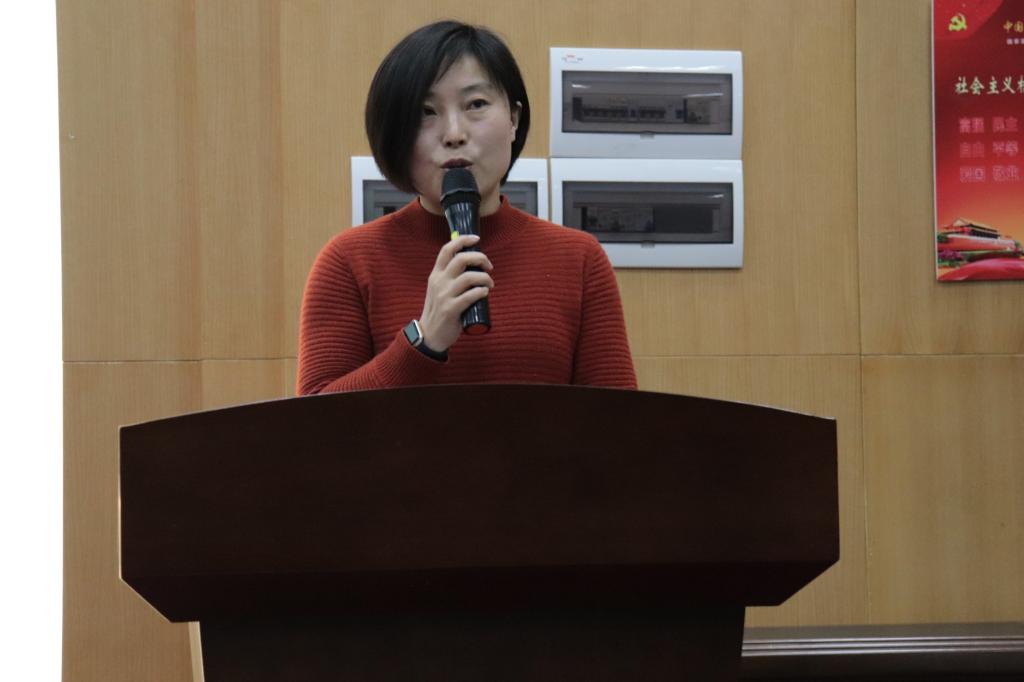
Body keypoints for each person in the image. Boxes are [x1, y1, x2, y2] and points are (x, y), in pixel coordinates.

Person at [297, 21, 636, 395]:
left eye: (476, 104)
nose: (454, 133)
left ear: (513, 120)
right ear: (396, 133)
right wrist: (423, 341)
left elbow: (621, 423)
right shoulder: (349, 261)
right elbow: (312, 424)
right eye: (426, 111)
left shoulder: (579, 259)